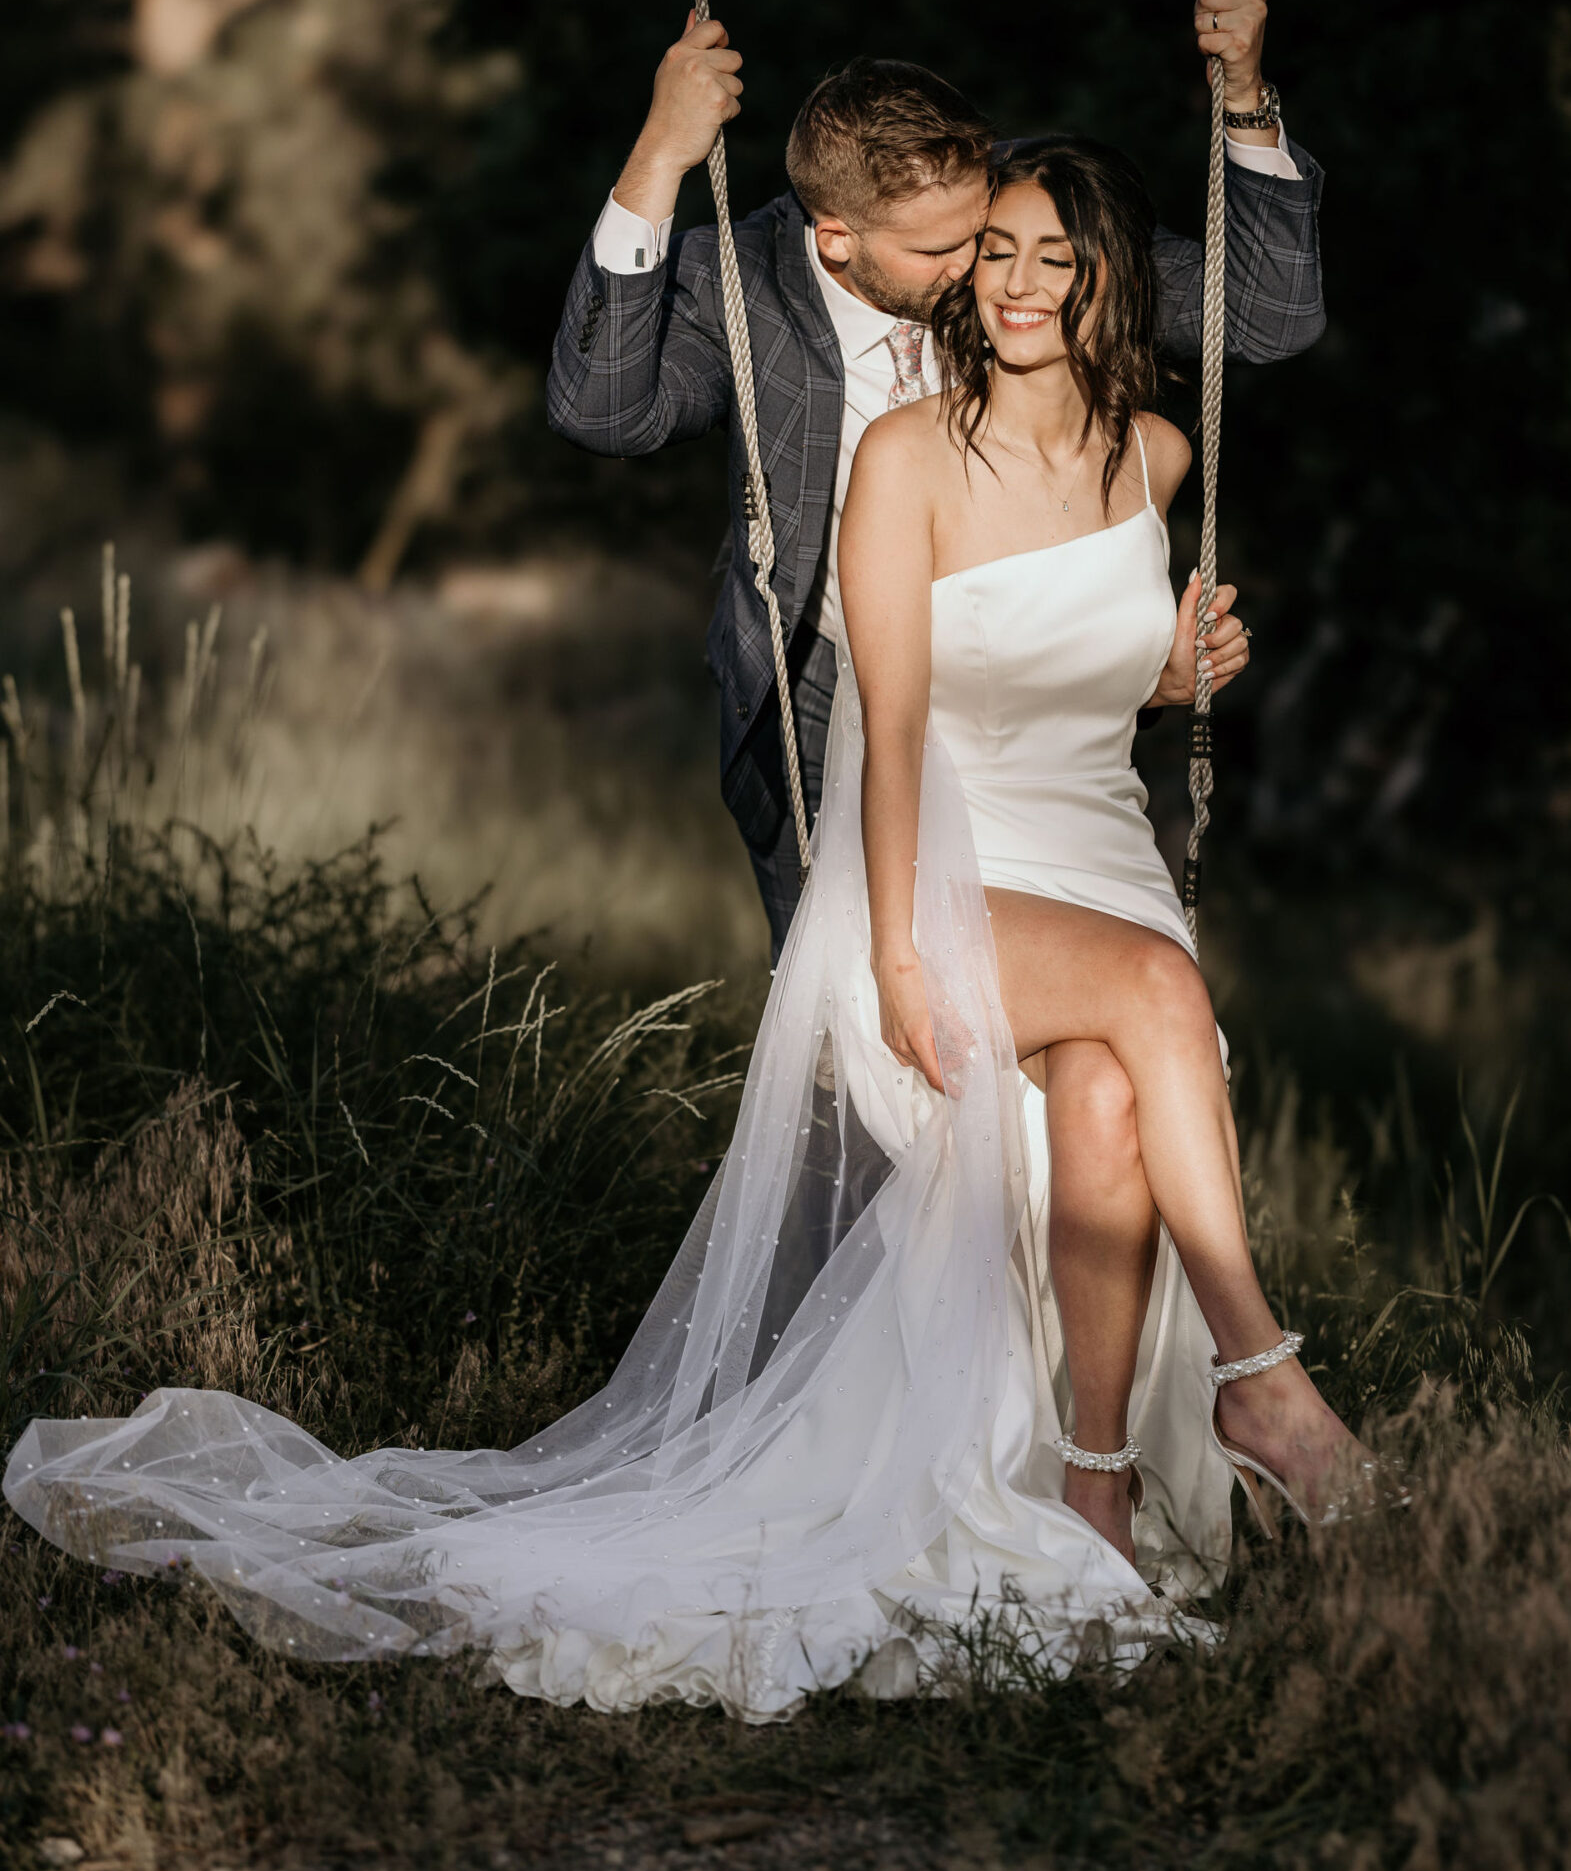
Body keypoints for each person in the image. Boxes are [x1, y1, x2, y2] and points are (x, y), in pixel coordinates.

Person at [3, 121, 1363, 1726]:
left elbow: (1074, 647)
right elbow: (903, 724)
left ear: (1107, 284)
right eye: (994, 250)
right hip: (933, 869)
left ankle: (1097, 1494)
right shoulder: (909, 456)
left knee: (1121, 1092)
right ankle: (1265, 1380)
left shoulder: (1157, 457)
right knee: (1148, 988)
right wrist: (903, 955)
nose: (1016, 282)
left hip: (1101, 848)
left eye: (1055, 259)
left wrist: (1162, 674)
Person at [547, 0, 1320, 1544]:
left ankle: (1080, 1484)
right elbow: (603, 406)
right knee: (903, 1120)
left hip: (1051, 776)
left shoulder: (1025, 266)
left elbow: (1275, 316)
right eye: (949, 250)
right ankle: (908, 1467)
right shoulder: (750, 288)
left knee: (1089, 1096)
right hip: (838, 741)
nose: (992, 276)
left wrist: (1246, 92)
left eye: (1000, 236)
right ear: (838, 239)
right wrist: (657, 144)